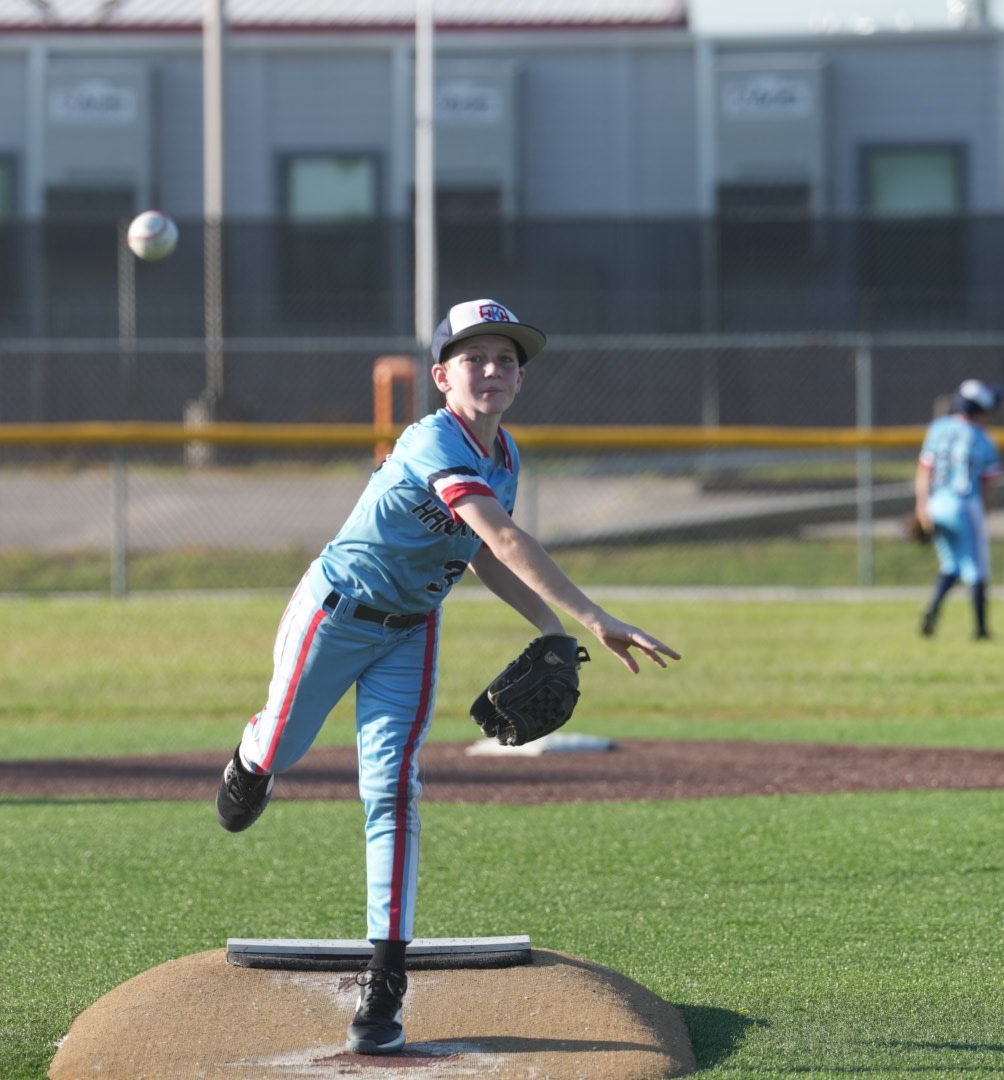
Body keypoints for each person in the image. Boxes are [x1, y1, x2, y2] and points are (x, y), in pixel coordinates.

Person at [213, 299, 680, 1055]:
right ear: (442, 377)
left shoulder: (506, 456)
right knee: (283, 744)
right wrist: (594, 616)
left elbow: (485, 555)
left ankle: (385, 977)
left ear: (520, 379)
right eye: (474, 358)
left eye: (506, 359)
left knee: (393, 788)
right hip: (333, 615)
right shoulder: (433, 439)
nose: (492, 369)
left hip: (412, 632)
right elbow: (504, 536)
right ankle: (253, 759)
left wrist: (553, 630)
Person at [915, 379, 1004, 640]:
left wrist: (922, 506)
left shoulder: (938, 428)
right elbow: (987, 485)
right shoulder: (984, 439)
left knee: (952, 564)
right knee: (977, 568)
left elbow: (924, 471)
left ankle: (933, 609)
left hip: (937, 503)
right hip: (965, 504)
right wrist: (984, 514)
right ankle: (981, 629)